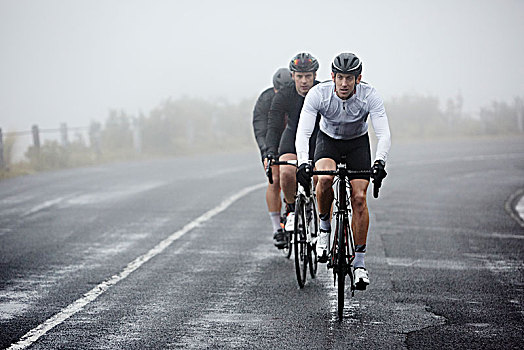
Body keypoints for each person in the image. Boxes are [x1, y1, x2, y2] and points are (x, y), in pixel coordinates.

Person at [295, 52, 391, 290]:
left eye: (350, 78)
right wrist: (304, 163)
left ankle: (359, 264)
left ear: (359, 79)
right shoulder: (319, 95)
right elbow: (304, 132)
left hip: (358, 144)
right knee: (325, 178)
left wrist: (379, 162)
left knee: (359, 198)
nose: (345, 83)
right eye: (340, 78)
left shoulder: (370, 96)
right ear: (332, 77)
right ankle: (325, 230)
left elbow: (383, 133)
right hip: (328, 142)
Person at [265, 53, 321, 248]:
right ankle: (290, 209)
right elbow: (272, 126)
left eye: (308, 76)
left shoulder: (323, 91)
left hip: (316, 139)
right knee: (287, 173)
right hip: (292, 136)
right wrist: (269, 152)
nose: (304, 81)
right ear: (293, 76)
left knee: (316, 177)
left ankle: (312, 209)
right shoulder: (284, 94)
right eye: (299, 76)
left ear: (315, 75)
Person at [252, 67, 293, 245]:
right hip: (272, 142)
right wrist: (265, 152)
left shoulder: (297, 96)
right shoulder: (265, 99)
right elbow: (260, 129)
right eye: (278, 90)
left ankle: (294, 210)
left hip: (292, 141)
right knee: (274, 180)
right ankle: (277, 227)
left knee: (294, 175)